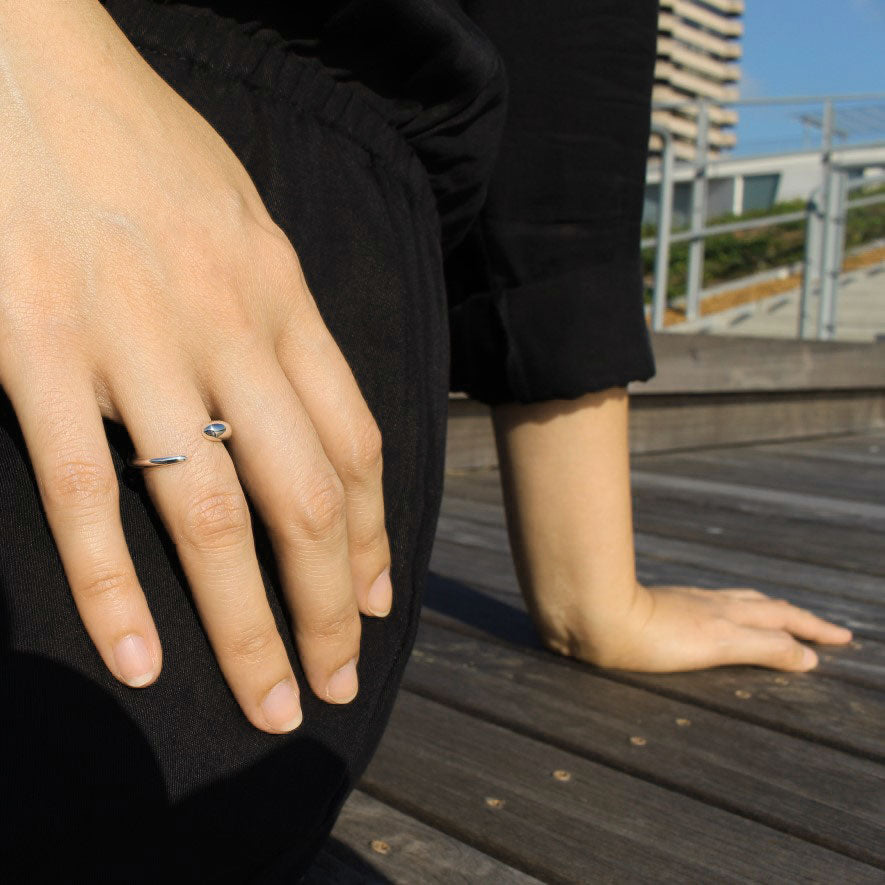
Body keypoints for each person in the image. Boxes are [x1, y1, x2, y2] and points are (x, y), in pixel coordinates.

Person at [0, 1, 852, 881]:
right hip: (70, 88)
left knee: (140, 791)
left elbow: (563, 72)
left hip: (246, 181)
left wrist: (589, 592)